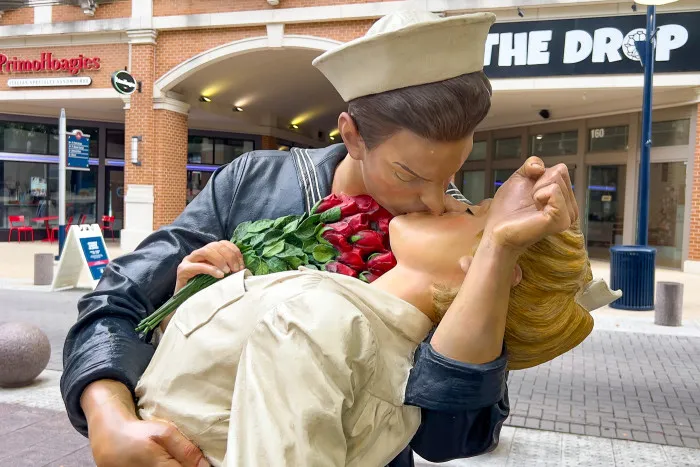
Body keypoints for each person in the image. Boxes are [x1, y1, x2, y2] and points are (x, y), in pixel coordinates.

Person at [61, 10, 579, 467]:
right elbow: (118, 299)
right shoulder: (253, 182)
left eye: (452, 172)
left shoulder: (454, 243)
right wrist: (111, 416)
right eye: (407, 173)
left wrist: (496, 269)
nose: (434, 199)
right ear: (352, 135)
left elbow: (452, 437)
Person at [135, 163, 617, 467]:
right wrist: (193, 299)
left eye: (470, 213)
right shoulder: (352, 322)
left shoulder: (325, 321)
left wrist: (499, 247)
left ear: (477, 275)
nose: (446, 198)